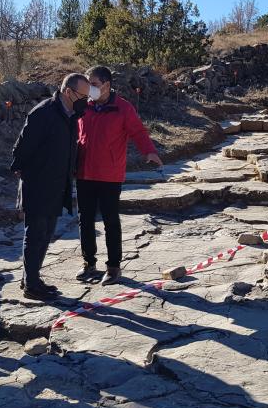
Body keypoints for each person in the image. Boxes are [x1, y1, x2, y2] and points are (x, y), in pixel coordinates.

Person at [75, 66, 163, 286]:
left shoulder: (123, 108)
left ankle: (113, 268)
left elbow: (138, 132)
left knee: (110, 221)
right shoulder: (84, 106)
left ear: (106, 84)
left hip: (109, 174)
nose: (90, 88)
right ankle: (89, 264)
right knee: (84, 220)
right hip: (84, 171)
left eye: (93, 84)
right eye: (88, 84)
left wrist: (149, 151)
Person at [10, 73, 91, 300]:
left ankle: (32, 279)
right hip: (38, 184)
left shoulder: (72, 114)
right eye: (82, 95)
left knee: (45, 234)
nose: (85, 100)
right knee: (35, 234)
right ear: (68, 92)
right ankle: (31, 285)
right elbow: (22, 149)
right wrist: (27, 173)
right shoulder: (43, 113)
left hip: (58, 184)